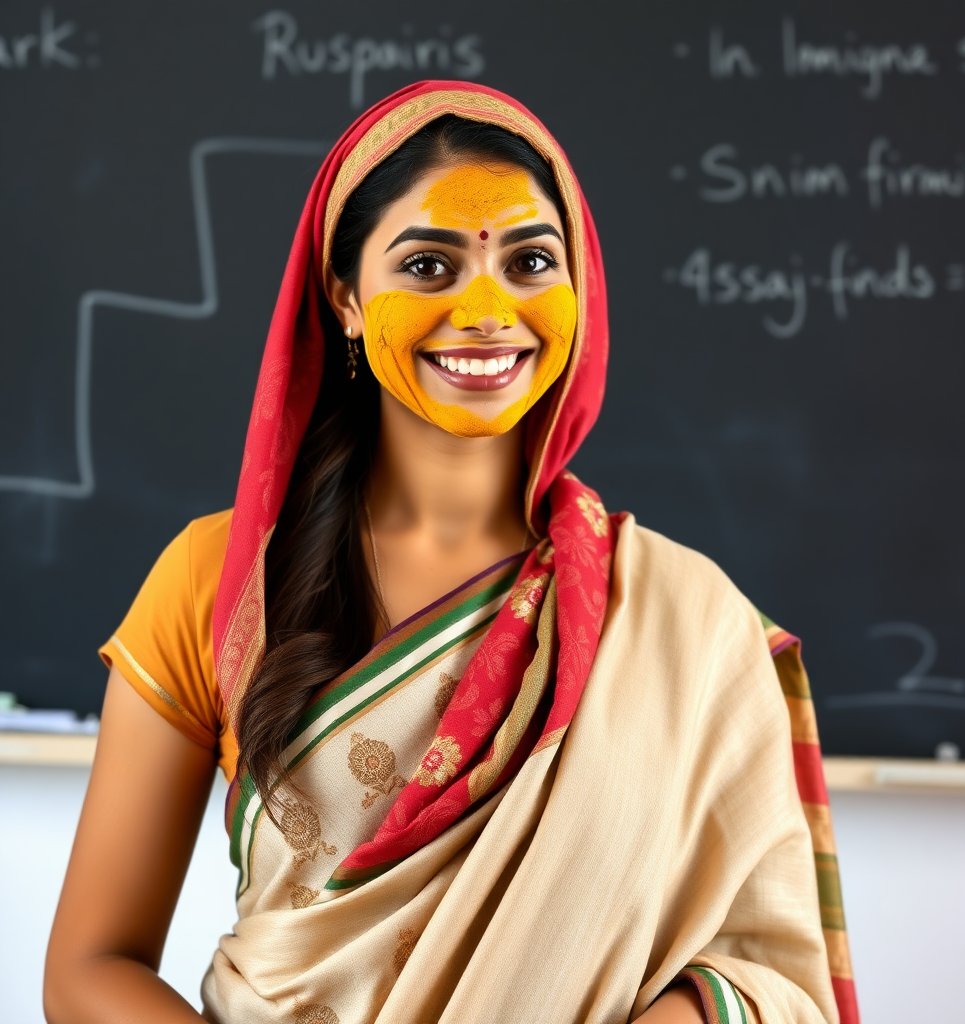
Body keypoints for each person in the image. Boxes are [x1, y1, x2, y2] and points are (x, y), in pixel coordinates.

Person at [44, 81, 858, 1024]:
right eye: (429, 266)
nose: (486, 308)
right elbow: (89, 968)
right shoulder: (220, 580)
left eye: (531, 262)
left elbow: (761, 972)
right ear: (345, 298)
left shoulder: (682, 619)